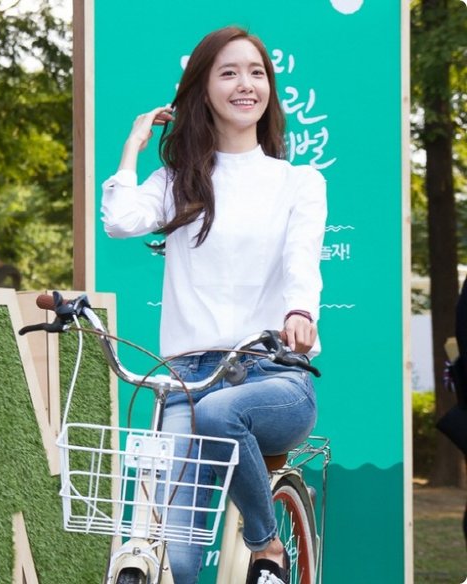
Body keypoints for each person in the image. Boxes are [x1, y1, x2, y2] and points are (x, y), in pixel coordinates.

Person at [101, 26, 327, 584]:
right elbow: (120, 220)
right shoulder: (179, 180)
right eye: (229, 73)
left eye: (256, 73)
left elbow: (301, 260)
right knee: (174, 559)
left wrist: (300, 312)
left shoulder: (297, 182)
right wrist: (133, 145)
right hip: (186, 380)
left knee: (222, 413)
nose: (245, 84)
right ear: (203, 90)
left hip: (271, 375)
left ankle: (266, 545)